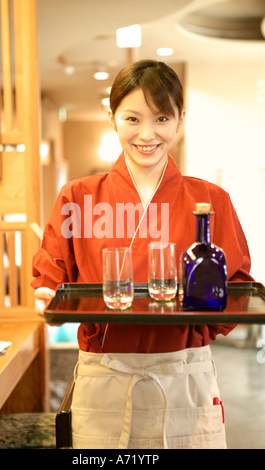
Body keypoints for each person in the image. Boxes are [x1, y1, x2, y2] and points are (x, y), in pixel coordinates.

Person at [32, 60, 253, 449]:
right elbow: (52, 276)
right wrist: (46, 297)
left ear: (181, 121)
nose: (147, 134)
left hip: (186, 377)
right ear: (112, 118)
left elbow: (236, 285)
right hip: (105, 379)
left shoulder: (211, 200)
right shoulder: (78, 197)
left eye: (162, 118)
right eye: (132, 118)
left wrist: (198, 329)